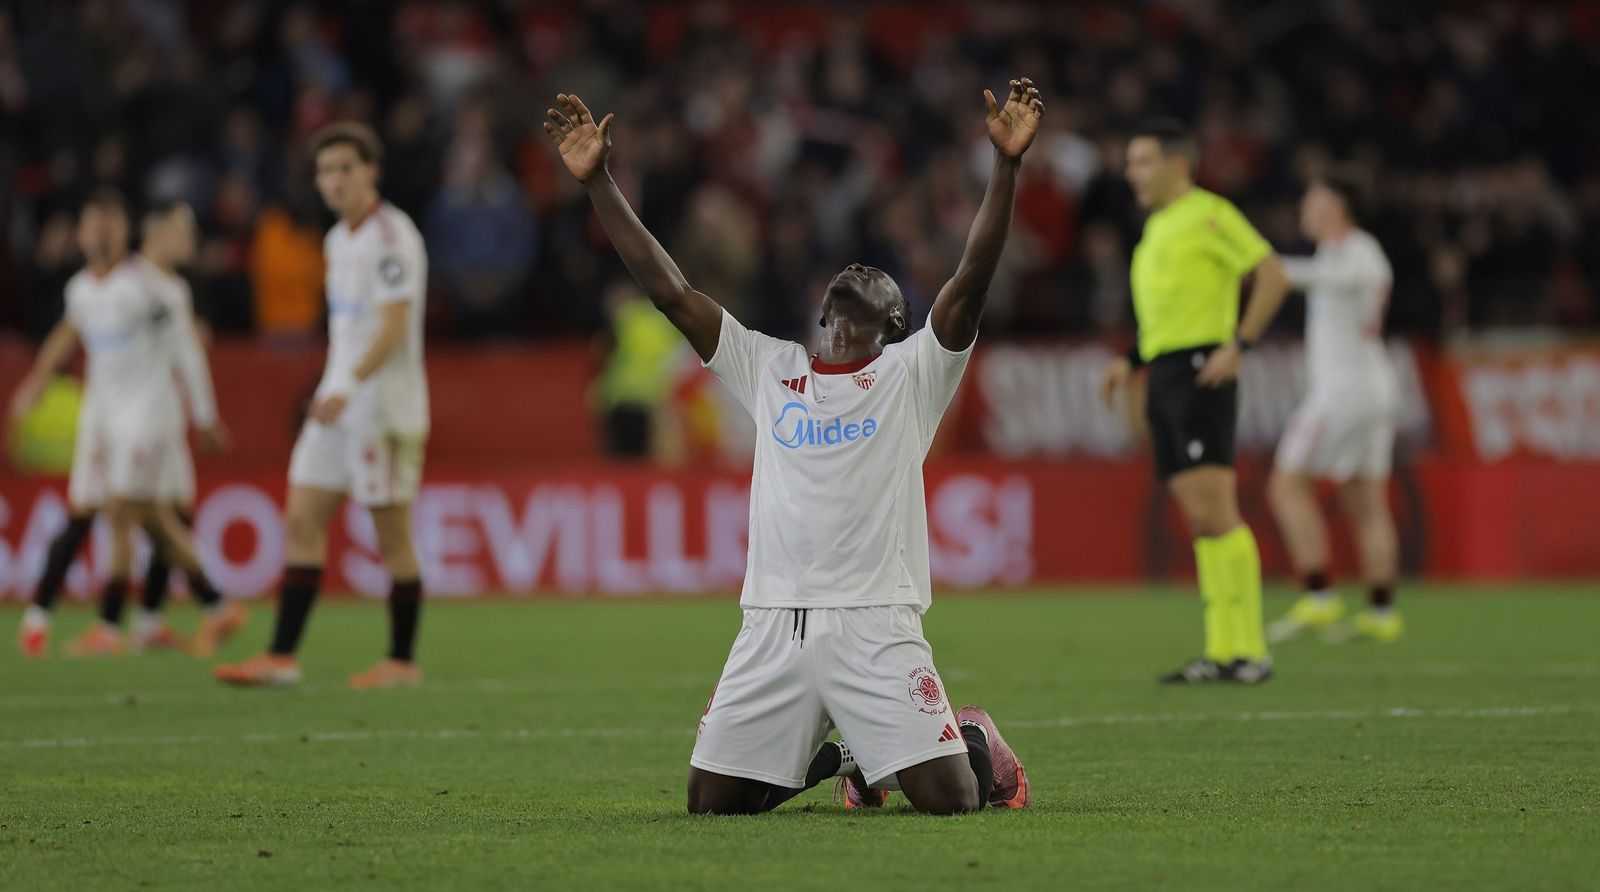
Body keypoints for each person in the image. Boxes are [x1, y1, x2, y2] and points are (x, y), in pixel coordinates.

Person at [544, 79, 1043, 816]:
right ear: (821, 312)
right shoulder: (770, 366)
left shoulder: (911, 373)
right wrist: (599, 184)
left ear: (897, 321)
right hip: (772, 621)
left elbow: (971, 279)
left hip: (875, 622)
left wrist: (1004, 167)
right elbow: (672, 292)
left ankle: (968, 735)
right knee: (712, 805)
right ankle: (850, 754)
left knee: (953, 801)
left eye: (876, 278)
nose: (856, 271)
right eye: (846, 274)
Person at [213, 122, 430, 690]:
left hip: (381, 408)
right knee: (300, 519)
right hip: (336, 406)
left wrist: (347, 386)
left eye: (345, 168)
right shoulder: (336, 240)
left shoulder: (390, 237)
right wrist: (332, 387)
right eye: (325, 171)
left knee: (391, 538)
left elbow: (393, 327)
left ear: (370, 172)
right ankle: (283, 656)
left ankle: (402, 661)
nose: (334, 181)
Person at [1100, 120, 1291, 685]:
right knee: (1199, 520)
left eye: (1142, 161)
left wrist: (1240, 345)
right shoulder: (1156, 228)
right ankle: (1221, 649)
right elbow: (1166, 319)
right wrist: (1130, 361)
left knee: (1217, 512)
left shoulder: (1210, 213)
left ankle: (1251, 650)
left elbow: (1272, 274)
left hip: (1202, 370)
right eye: (1131, 162)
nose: (1132, 172)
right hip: (1166, 374)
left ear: (1177, 164)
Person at [12, 191, 241, 658]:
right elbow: (68, 331)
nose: (98, 233)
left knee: (121, 512)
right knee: (150, 518)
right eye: (91, 225)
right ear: (80, 234)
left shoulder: (149, 288)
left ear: (123, 233)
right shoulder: (81, 288)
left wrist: (205, 417)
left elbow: (186, 353)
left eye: (108, 225)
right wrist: (37, 380)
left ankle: (111, 627)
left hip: (147, 414)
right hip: (103, 417)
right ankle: (217, 606)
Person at [1266, 173, 1403, 643]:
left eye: (1314, 197)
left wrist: (1258, 263)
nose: (1306, 205)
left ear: (1337, 206)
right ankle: (1382, 613)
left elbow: (1325, 277)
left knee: (1286, 487)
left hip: (1346, 391)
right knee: (1366, 501)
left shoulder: (1358, 252)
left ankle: (1319, 596)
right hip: (1370, 386)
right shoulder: (1337, 252)